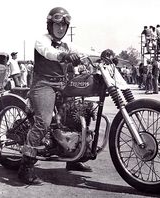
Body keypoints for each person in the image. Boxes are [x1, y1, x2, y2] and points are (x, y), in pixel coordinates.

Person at [18, 7, 95, 185]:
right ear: (50, 24)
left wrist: (103, 55)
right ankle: (26, 166)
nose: (60, 28)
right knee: (43, 122)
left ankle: (74, 158)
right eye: (57, 24)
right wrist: (63, 55)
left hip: (62, 84)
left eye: (64, 25)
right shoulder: (41, 40)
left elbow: (85, 51)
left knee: (77, 115)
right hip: (43, 84)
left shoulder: (66, 43)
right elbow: (48, 52)